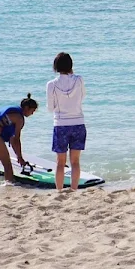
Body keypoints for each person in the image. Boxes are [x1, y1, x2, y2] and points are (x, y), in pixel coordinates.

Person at [47, 52, 87, 192]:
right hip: (78, 123)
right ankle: (74, 189)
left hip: (60, 125)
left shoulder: (51, 85)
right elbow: (83, 96)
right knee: (75, 161)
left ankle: (59, 190)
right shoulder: (79, 80)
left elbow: (50, 108)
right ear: (71, 65)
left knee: (60, 162)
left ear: (56, 67)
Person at [0, 96, 38, 181]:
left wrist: (18, 156)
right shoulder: (19, 118)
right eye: (33, 110)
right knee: (7, 165)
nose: (32, 113)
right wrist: (20, 158)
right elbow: (16, 140)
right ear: (26, 108)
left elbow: (12, 139)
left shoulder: (12, 111)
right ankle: (9, 187)